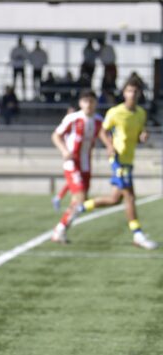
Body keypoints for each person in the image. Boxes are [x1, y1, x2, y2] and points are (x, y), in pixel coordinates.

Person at [73, 78, 158, 249]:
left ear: (140, 93)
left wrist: (143, 137)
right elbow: (102, 131)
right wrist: (110, 145)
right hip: (118, 160)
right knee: (130, 196)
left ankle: (82, 207)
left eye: (135, 91)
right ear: (124, 92)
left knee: (115, 199)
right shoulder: (115, 112)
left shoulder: (141, 113)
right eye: (129, 91)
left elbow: (138, 134)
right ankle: (138, 235)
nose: (132, 94)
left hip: (129, 160)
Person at [49, 91, 102, 244]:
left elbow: (107, 135)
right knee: (79, 198)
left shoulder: (98, 120)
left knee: (80, 200)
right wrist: (64, 150)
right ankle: (59, 229)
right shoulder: (73, 118)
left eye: (91, 101)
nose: (89, 104)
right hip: (72, 163)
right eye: (86, 101)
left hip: (86, 164)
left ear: (96, 103)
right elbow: (55, 135)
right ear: (80, 103)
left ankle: (61, 229)